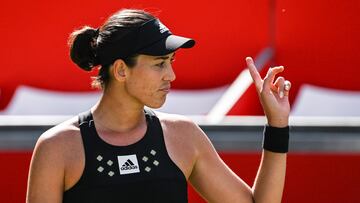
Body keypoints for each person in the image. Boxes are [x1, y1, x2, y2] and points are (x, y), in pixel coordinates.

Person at [26, 9, 292, 203]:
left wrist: (277, 125)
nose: (171, 75)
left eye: (171, 61)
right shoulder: (57, 147)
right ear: (121, 70)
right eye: (159, 63)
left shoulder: (183, 136)